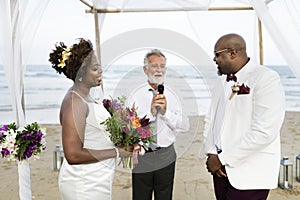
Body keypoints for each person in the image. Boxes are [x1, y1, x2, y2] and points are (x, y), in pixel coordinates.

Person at [200, 33, 285, 200]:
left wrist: (222, 159)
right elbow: (210, 120)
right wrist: (211, 154)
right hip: (220, 172)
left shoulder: (265, 78)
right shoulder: (221, 82)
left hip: (250, 173)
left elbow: (264, 132)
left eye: (217, 54)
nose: (214, 59)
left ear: (232, 53)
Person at [49, 38, 132, 200]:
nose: (100, 71)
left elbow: (93, 134)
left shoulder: (85, 95)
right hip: (84, 184)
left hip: (97, 178)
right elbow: (72, 155)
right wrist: (117, 152)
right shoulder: (75, 103)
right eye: (95, 68)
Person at [127, 49, 189, 200]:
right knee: (140, 197)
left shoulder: (174, 94)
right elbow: (128, 129)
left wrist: (165, 113)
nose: (159, 70)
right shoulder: (135, 94)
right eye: (154, 66)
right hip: (143, 155)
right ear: (145, 69)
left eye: (162, 66)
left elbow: (185, 126)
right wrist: (151, 114)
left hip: (166, 154)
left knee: (165, 197)